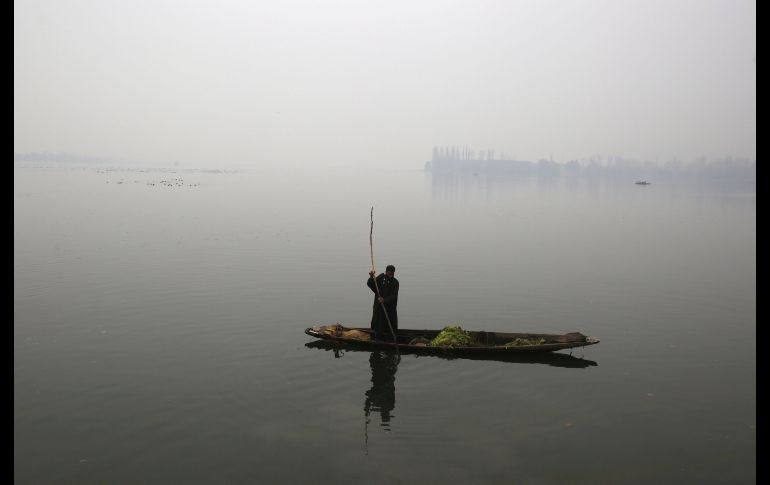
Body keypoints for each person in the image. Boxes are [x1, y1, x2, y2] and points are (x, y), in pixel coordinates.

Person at [367, 265, 399, 341]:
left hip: (390, 309)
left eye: (392, 273)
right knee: (378, 325)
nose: (391, 274)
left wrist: (384, 300)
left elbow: (394, 296)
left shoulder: (395, 282)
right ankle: (376, 339)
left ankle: (391, 339)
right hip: (379, 308)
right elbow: (371, 284)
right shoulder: (381, 277)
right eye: (389, 272)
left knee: (391, 326)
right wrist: (371, 277)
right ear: (386, 271)